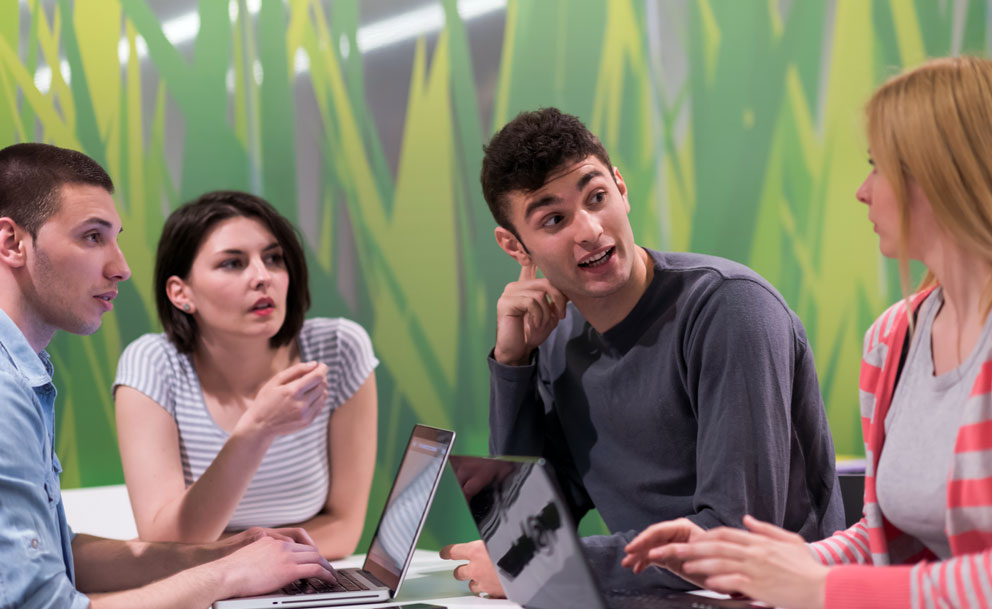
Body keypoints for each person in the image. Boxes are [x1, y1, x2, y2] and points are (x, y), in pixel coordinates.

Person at [622, 56, 992, 609]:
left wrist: (827, 589)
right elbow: (880, 541)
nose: (864, 191)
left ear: (939, 175)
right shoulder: (894, 339)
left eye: (878, 166)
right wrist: (748, 562)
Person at [440, 107, 845, 595]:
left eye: (597, 197)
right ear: (515, 245)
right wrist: (513, 366)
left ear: (621, 188)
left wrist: (540, 566)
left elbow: (735, 539)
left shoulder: (730, 309)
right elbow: (527, 523)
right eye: (553, 219)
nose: (589, 229)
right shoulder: (557, 338)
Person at [0, 142, 337, 608]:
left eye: (273, 259)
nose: (121, 268)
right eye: (93, 237)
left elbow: (58, 554)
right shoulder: (5, 389)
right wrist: (227, 574)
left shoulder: (26, 372)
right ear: (12, 243)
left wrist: (213, 555)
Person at [113, 190, 377, 559]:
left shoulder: (339, 348)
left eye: (273, 259)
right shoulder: (152, 364)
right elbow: (165, 543)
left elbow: (345, 528)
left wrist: (251, 559)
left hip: (300, 583)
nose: (262, 276)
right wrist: (258, 429)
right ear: (180, 293)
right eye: (232, 263)